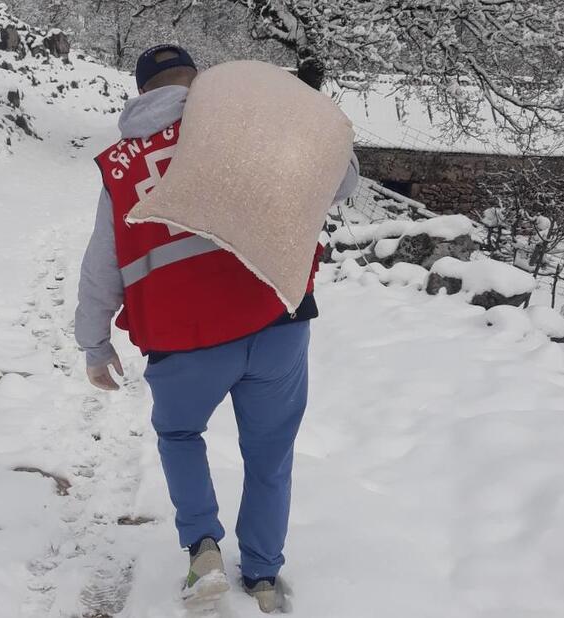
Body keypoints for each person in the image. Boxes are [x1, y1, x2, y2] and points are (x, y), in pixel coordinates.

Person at [74, 44, 359, 613]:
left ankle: (202, 547)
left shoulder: (122, 165)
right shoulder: (246, 124)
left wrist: (94, 343)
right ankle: (262, 574)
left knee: (181, 437)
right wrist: (307, 104)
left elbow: (100, 266)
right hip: (275, 319)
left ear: (142, 92)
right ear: (197, 82)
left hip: (183, 339)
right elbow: (340, 182)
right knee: (270, 454)